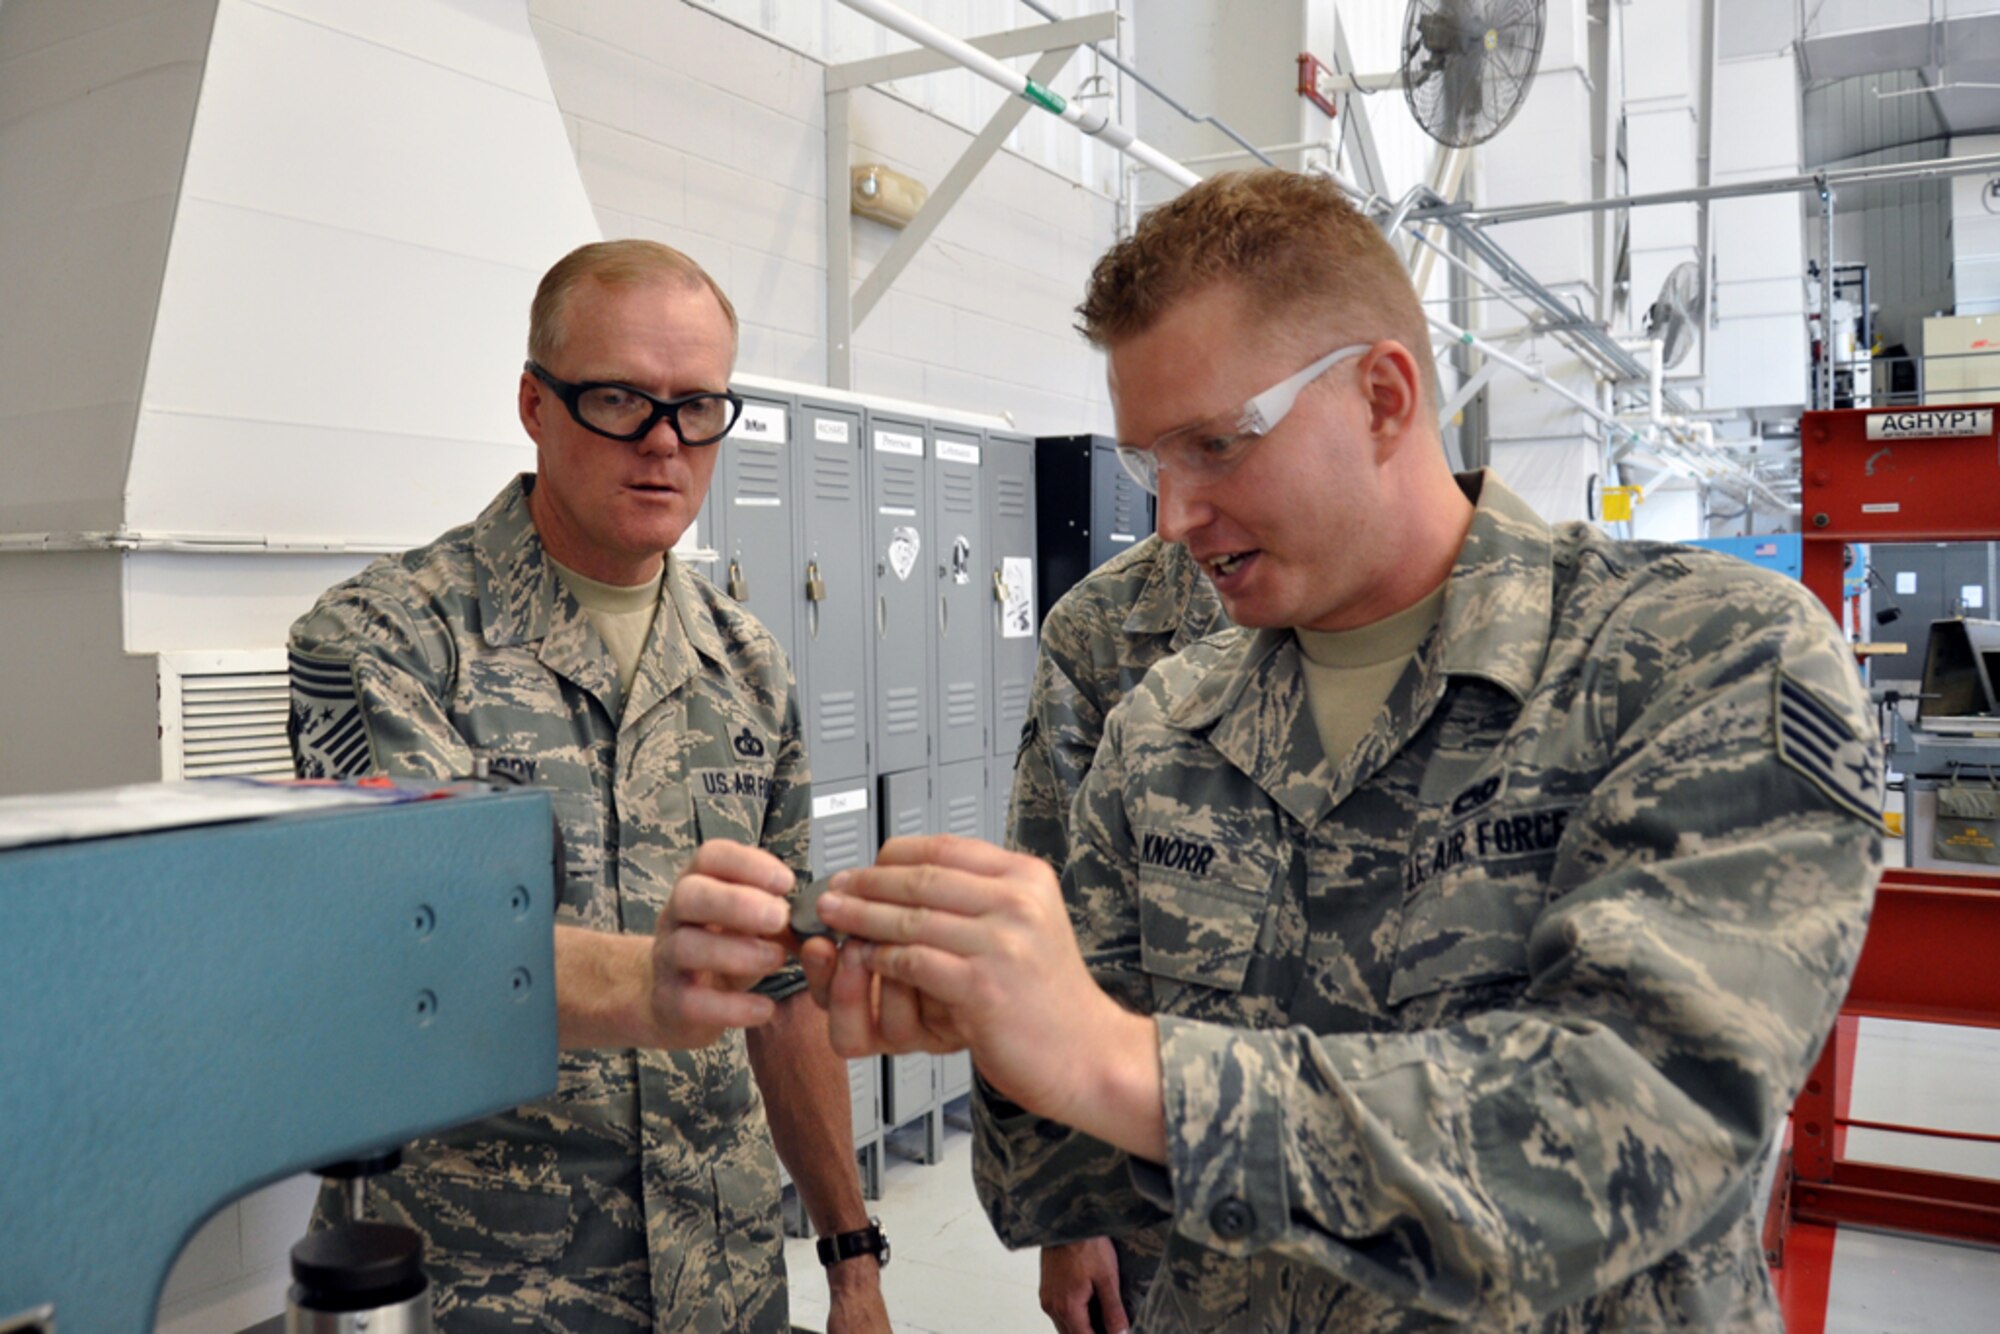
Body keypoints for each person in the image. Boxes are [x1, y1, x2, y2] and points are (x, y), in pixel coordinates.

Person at [805, 169, 1884, 1329]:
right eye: (1147, 463)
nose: (1171, 517)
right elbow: (1068, 1174)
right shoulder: (1165, 725)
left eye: (1216, 444)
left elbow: (1629, 1125)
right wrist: (982, 1012)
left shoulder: (1701, 655)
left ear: (1381, 396)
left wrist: (1111, 1062)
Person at [289, 240, 889, 1333]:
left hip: (724, 1278)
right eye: (618, 398)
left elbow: (784, 994)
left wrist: (850, 1255)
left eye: (697, 406)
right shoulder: (383, 640)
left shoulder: (747, 665)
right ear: (533, 401)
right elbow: (407, 938)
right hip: (487, 1284)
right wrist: (652, 982)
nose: (663, 444)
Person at [1003, 533, 1224, 1334]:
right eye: (1155, 457)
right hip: (1156, 1211)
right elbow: (1044, 925)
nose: (1185, 499)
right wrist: (1067, 1211)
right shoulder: (1103, 625)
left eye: (1221, 443)